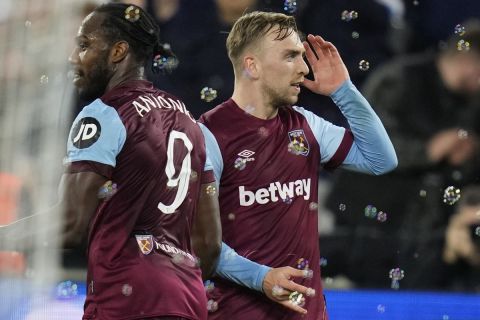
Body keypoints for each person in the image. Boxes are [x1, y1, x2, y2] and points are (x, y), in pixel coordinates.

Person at [0, 3, 221, 320]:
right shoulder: (190, 121)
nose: (74, 58)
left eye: (84, 45)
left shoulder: (104, 114)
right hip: (187, 300)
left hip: (125, 300)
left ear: (118, 52)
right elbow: (210, 245)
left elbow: (72, 224)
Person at [198, 11, 397, 320]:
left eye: (303, 56)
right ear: (252, 65)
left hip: (307, 312)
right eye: (291, 56)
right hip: (236, 312)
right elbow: (198, 241)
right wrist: (261, 277)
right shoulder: (209, 135)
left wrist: (343, 91)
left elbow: (381, 160)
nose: (304, 69)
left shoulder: (305, 124)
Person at [324, 20, 480, 289]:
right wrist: (428, 150)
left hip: (425, 237)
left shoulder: (473, 105)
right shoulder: (399, 79)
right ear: (471, 62)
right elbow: (361, 142)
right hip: (365, 224)